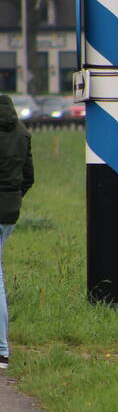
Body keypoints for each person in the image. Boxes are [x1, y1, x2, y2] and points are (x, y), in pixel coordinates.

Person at [0, 94, 33, 370]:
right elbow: (29, 177)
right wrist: (14, 197)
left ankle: (1, 349)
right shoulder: (23, 133)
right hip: (10, 212)